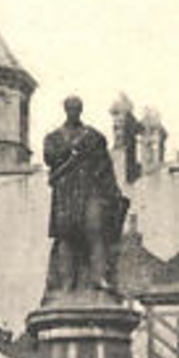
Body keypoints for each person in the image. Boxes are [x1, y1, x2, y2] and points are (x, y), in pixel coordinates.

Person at [42, 95, 130, 303]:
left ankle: (99, 278)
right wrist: (71, 151)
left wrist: (114, 194)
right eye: (70, 108)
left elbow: (106, 168)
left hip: (90, 190)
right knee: (66, 236)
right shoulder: (53, 138)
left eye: (77, 108)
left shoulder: (94, 137)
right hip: (65, 193)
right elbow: (50, 158)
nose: (74, 111)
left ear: (81, 110)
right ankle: (66, 283)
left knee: (95, 232)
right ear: (65, 110)